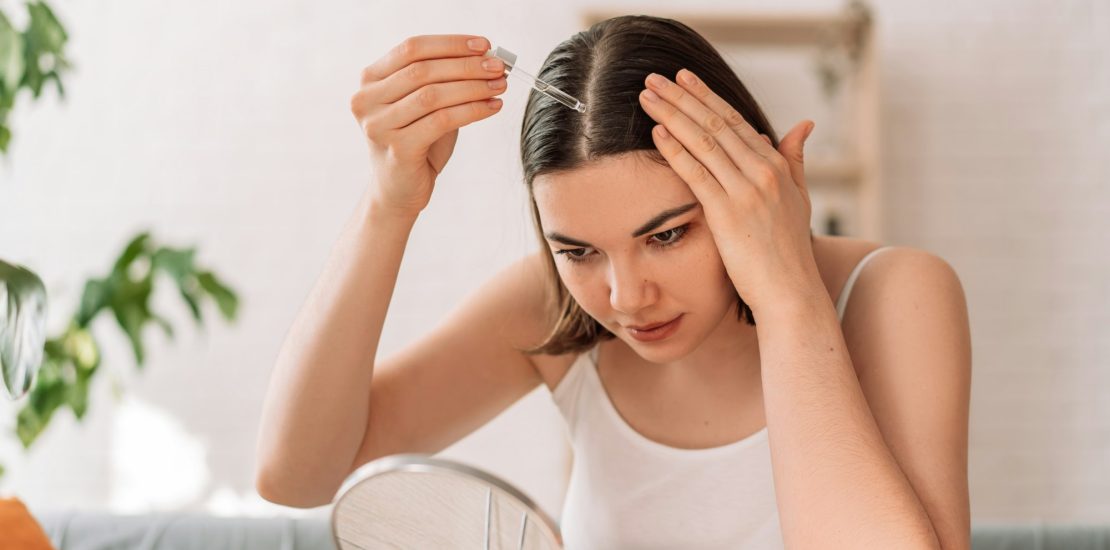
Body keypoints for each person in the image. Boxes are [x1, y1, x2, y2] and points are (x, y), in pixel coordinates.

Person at [255, 15, 972, 549]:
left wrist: (786, 292)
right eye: (578, 251)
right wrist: (389, 206)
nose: (625, 299)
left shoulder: (894, 295)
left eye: (667, 235)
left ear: (753, 183)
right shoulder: (550, 310)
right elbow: (299, 475)